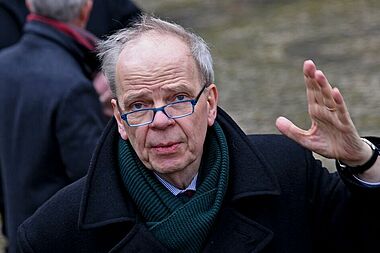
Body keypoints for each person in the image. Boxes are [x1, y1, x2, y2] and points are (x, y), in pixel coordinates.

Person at [16, 15, 380, 253]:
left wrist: (363, 160)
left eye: (177, 99)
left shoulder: (288, 174)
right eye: (140, 105)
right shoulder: (55, 233)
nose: (160, 121)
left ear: (210, 104)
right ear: (120, 120)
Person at [0, 0, 109, 252]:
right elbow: (95, 181)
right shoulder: (74, 87)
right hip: (55, 241)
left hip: (17, 236)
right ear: (87, 8)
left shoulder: (3, 66)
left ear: (30, 4)